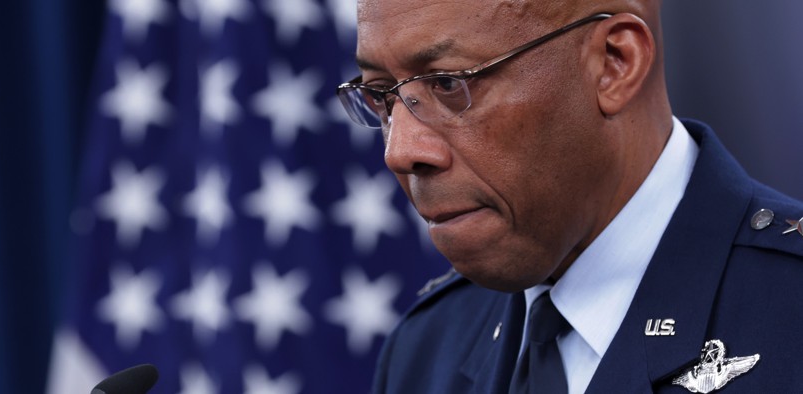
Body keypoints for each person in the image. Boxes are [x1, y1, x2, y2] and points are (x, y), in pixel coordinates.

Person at [336, 0, 803, 393]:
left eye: (447, 83)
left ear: (614, 63)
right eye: (381, 95)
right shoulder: (425, 351)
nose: (399, 152)